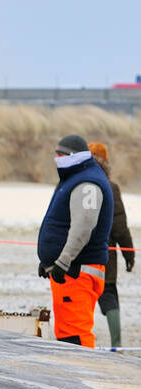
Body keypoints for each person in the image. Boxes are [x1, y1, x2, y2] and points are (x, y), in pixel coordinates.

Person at [38, 134, 114, 347]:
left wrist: (62, 260)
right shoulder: (76, 177)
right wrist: (48, 260)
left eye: (61, 154)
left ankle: (82, 376)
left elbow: (84, 225)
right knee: (66, 333)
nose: (57, 158)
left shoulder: (87, 182)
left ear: (74, 157)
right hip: (70, 270)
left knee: (75, 336)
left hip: (77, 271)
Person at [88, 142, 133, 349]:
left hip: (79, 254)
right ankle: (116, 345)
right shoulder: (110, 187)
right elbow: (120, 227)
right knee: (109, 296)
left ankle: (80, 341)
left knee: (84, 299)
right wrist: (129, 254)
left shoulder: (78, 182)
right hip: (106, 256)